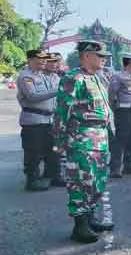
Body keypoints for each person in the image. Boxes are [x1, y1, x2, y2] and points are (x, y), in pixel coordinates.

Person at [53, 40, 114, 243]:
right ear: (86, 56)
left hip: (100, 137)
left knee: (97, 180)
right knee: (80, 181)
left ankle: (90, 218)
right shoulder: (74, 79)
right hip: (82, 138)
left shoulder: (98, 78)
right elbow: (62, 112)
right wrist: (60, 141)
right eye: (100, 56)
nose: (104, 59)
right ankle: (79, 226)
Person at [16, 49, 59, 191]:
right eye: (40, 58)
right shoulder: (26, 77)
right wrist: (58, 90)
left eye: (45, 59)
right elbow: (33, 96)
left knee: (52, 150)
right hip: (34, 120)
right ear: (30, 59)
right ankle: (32, 180)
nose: (43, 61)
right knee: (34, 152)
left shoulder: (45, 76)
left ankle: (52, 176)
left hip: (48, 120)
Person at [108, 54, 131, 177]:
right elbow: (112, 94)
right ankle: (115, 168)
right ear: (129, 62)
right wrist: (113, 109)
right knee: (121, 140)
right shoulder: (118, 76)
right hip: (124, 111)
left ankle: (129, 165)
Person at [44, 53, 67, 187]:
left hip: (55, 115)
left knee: (56, 147)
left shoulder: (58, 77)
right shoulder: (39, 76)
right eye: (52, 61)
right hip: (41, 117)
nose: (55, 64)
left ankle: (55, 174)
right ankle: (49, 173)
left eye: (57, 61)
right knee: (44, 148)